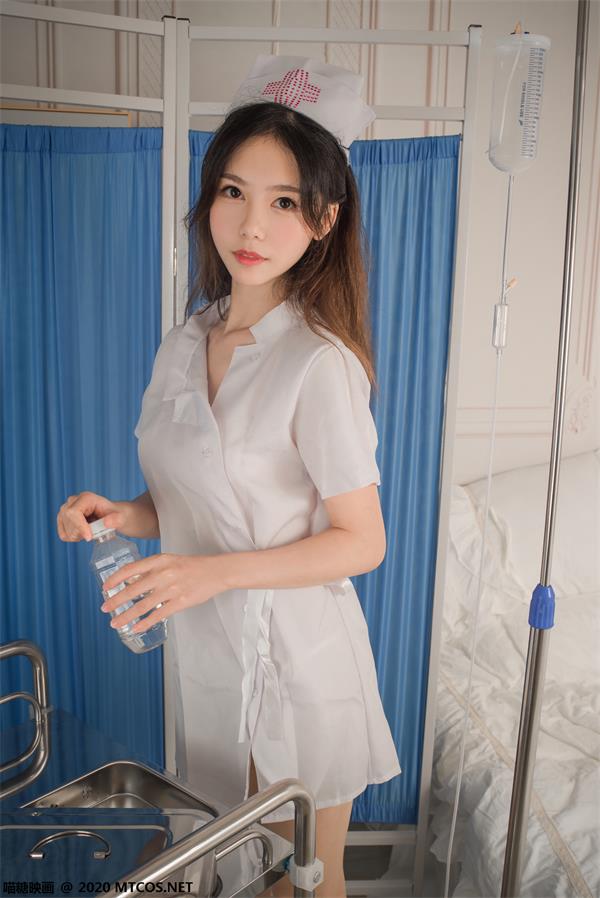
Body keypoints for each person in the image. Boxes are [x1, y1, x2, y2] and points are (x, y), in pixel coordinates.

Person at [57, 55, 401, 898]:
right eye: (234, 191)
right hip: (209, 662)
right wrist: (121, 513)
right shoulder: (184, 344)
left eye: (284, 201)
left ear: (324, 219)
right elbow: (192, 498)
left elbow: (363, 542)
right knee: (214, 870)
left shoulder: (318, 364)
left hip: (299, 667)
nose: (251, 223)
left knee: (303, 884)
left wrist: (210, 573)